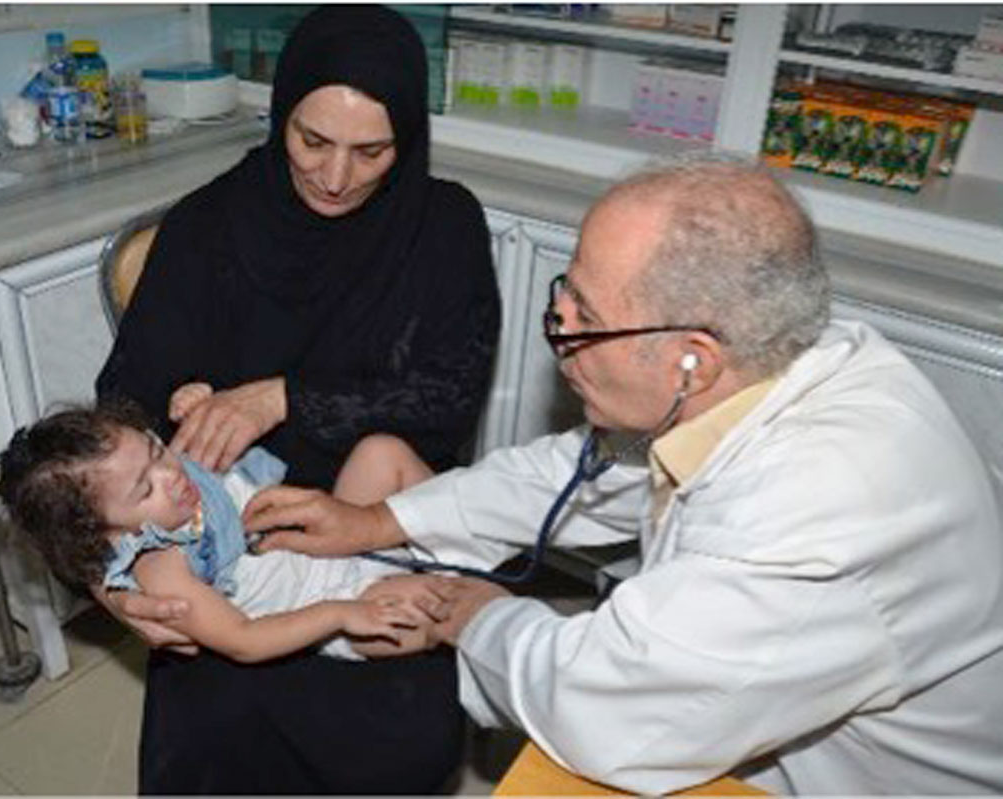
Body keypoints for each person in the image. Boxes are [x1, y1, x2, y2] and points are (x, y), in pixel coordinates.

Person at [243, 153, 1003, 795]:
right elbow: (576, 474)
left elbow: (602, 711)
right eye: (565, 295)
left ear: (692, 359)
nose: (559, 332)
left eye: (586, 317)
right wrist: (377, 521)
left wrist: (473, 617)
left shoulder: (819, 516)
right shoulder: (766, 363)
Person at [94, 5, 500, 792]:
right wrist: (108, 575)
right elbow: (121, 408)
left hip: (383, 513)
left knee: (408, 735)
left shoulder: (446, 226)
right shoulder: (207, 225)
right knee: (213, 728)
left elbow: (449, 398)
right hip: (226, 536)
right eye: (312, 141)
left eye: (371, 150)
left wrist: (286, 398)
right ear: (280, 115)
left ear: (409, 137)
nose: (336, 176)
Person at [0, 398, 448, 664]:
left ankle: (462, 550)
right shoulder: (162, 568)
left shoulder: (175, 475)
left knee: (382, 452)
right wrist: (340, 614)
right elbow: (244, 640)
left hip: (332, 537)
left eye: (155, 449)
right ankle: (455, 581)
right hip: (331, 600)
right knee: (426, 613)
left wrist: (197, 401)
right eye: (145, 489)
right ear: (107, 535)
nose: (171, 474)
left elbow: (199, 450)